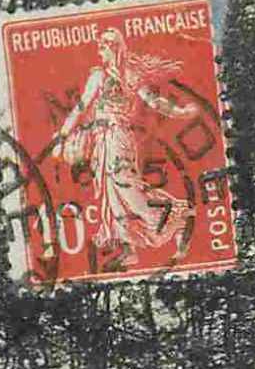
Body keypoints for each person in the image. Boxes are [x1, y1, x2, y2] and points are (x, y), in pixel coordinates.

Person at [50, 28, 201, 266]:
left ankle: (178, 213)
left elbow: (152, 102)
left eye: (105, 45)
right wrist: (62, 136)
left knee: (129, 190)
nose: (100, 49)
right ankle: (128, 248)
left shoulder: (126, 75)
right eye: (100, 45)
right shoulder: (99, 75)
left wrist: (180, 112)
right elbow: (81, 108)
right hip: (102, 141)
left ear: (115, 48)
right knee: (110, 195)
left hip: (119, 138)